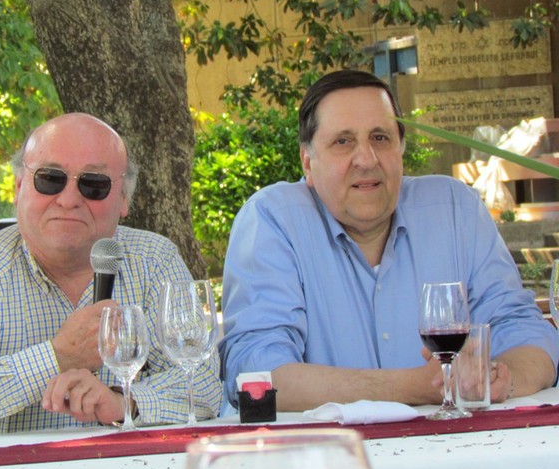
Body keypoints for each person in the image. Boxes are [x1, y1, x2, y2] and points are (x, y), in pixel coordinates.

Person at [219, 70, 559, 412]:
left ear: (401, 149)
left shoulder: (457, 210)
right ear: (308, 162)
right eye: (343, 142)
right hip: (329, 446)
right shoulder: (273, 219)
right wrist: (417, 386)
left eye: (380, 138)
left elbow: (525, 331)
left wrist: (503, 379)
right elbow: (256, 374)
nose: (367, 160)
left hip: (467, 441)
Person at [0, 113, 221, 439]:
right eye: (50, 179)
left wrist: (124, 403)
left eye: (93, 185)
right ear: (19, 187)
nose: (68, 200)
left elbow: (204, 384)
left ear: (124, 199)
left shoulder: (154, 261)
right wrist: (57, 357)